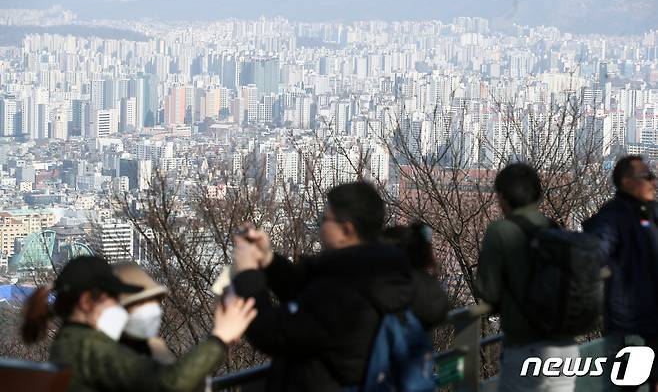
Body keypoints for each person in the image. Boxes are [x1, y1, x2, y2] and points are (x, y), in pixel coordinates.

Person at [230, 181, 449, 391]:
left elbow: (272, 333)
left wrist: (248, 274)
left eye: (324, 219)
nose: (320, 226)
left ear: (346, 230)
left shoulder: (345, 293)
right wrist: (268, 260)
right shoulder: (384, 274)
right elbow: (308, 296)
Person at [21, 255, 257, 392]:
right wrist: (219, 338)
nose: (117, 306)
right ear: (86, 302)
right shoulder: (89, 347)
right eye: (113, 298)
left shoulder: (71, 342)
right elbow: (169, 383)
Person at [475, 163, 579, 392]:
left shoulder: (500, 231)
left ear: (502, 197)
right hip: (565, 348)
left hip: (525, 347)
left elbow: (487, 291)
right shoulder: (555, 229)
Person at [583, 155, 658, 391]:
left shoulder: (652, 212)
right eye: (646, 176)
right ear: (626, 182)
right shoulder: (612, 218)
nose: (653, 181)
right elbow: (593, 254)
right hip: (630, 323)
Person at [113, 261, 175, 365]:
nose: (152, 311)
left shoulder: (157, 349)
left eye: (154, 302)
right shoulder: (98, 352)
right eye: (140, 303)